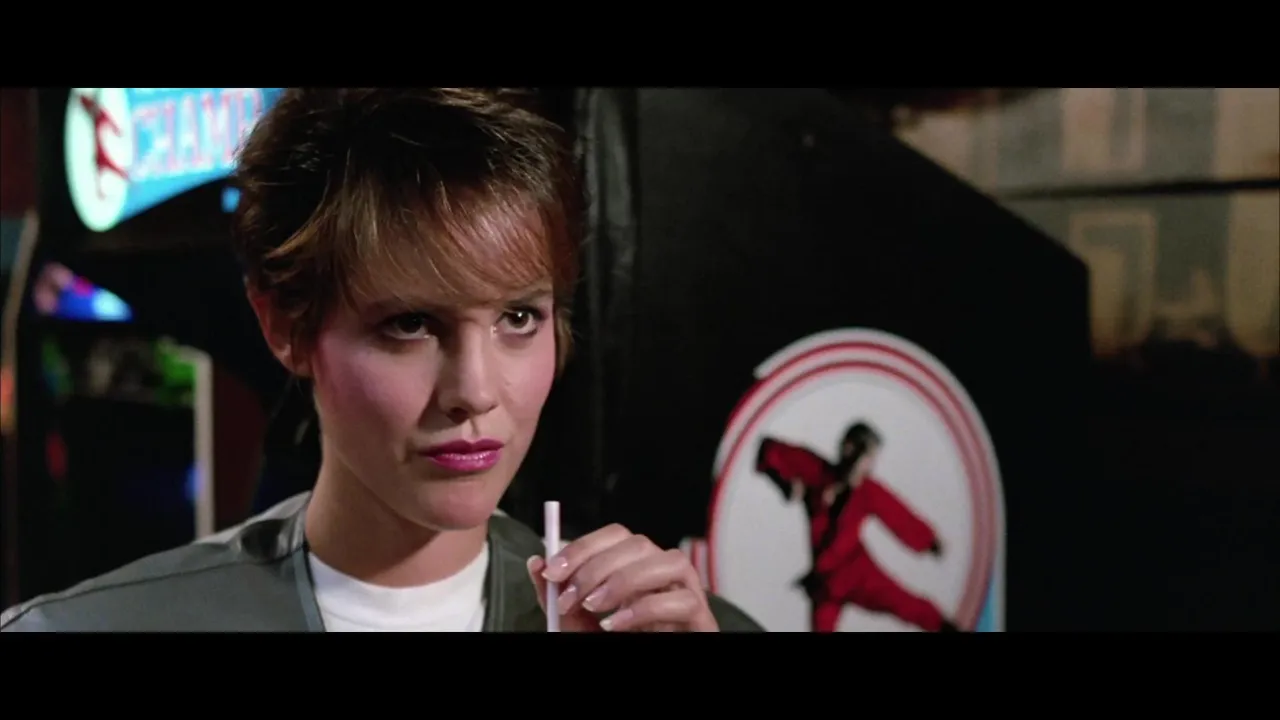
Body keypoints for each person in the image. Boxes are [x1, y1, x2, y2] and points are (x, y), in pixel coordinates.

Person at [1, 88, 762, 632]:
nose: (474, 391)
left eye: (518, 318)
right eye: (410, 325)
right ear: (286, 326)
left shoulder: (677, 623)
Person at [756, 421, 960, 632]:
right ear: (849, 449)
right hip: (823, 582)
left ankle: (947, 629)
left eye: (872, 460)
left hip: (858, 572)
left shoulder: (867, 490)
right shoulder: (817, 472)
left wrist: (929, 541)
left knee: (903, 603)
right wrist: (781, 481)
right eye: (868, 458)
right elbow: (769, 448)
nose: (870, 466)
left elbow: (897, 514)